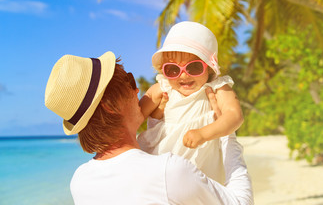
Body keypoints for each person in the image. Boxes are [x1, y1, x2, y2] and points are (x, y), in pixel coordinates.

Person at [44, 51, 253, 205]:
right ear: (110, 105)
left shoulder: (80, 181)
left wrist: (157, 125)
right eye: (129, 81)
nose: (137, 90)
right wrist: (225, 132)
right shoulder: (168, 172)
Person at [138, 21, 244, 184]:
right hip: (163, 166)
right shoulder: (164, 87)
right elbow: (135, 117)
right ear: (163, 70)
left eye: (194, 67)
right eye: (173, 69)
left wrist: (204, 133)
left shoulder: (217, 88)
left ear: (209, 67)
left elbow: (235, 116)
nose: (183, 75)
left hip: (203, 171)